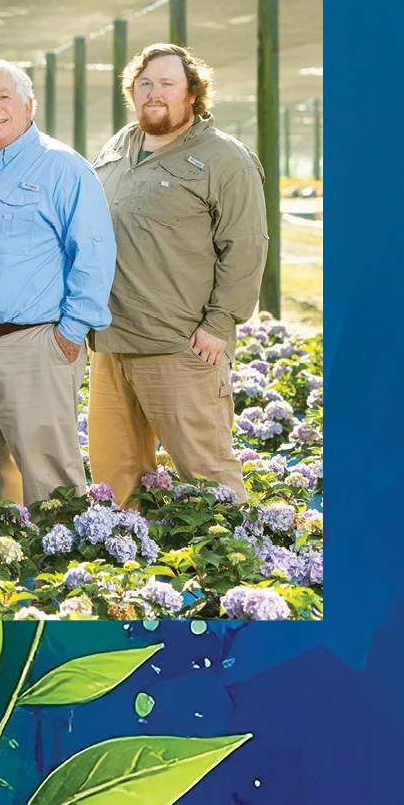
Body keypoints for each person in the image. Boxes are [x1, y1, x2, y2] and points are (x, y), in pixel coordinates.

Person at [87, 44, 266, 505]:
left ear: (192, 93)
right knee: (116, 477)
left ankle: (239, 563)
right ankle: (126, 564)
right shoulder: (117, 146)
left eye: (167, 83)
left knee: (206, 472)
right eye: (144, 84)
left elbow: (245, 246)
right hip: (110, 343)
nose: (154, 93)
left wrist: (219, 324)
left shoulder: (225, 159)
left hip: (179, 346)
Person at [0, 60, 115, 505]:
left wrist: (69, 335)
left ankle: (59, 569)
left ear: (29, 104)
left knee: (48, 475)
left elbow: (94, 252)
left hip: (35, 345)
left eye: (3, 96)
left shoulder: (61, 166)